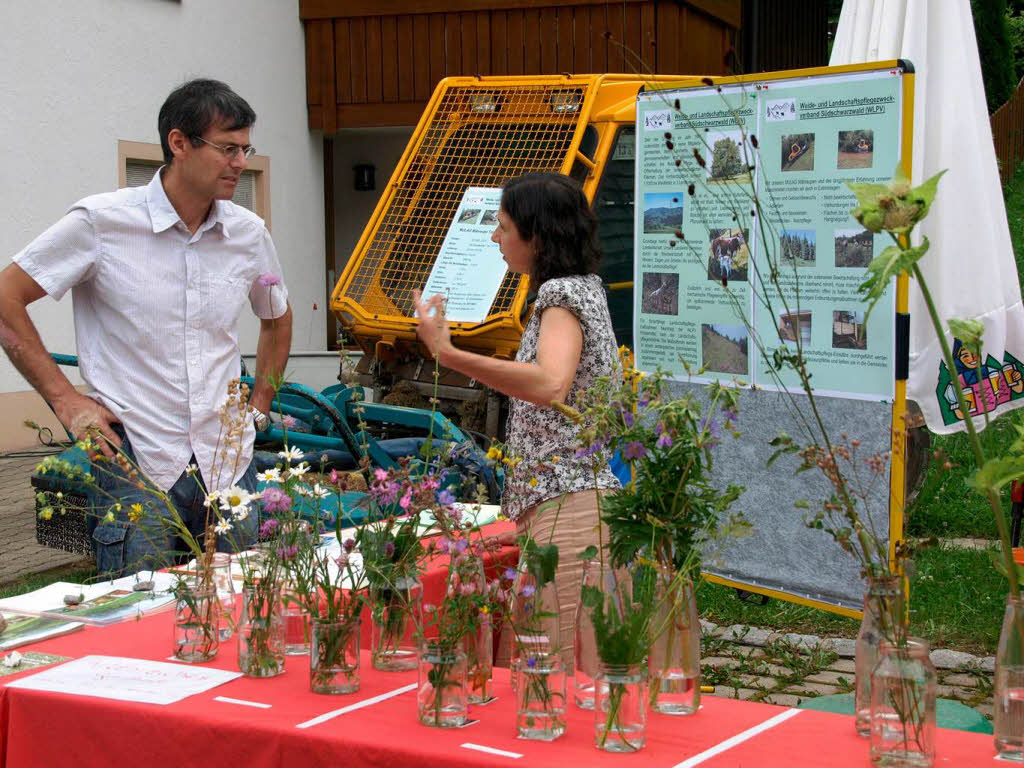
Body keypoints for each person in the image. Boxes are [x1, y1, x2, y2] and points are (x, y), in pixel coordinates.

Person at [0, 78, 293, 574]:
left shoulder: (248, 232)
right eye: (227, 149)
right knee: (140, 613)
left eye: (246, 149)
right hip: (132, 454)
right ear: (179, 143)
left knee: (247, 610)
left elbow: (276, 318)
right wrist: (66, 401)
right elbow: (7, 297)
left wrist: (258, 409)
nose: (240, 163)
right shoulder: (100, 222)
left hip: (227, 457)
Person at [414, 171, 621, 664]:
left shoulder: (559, 298)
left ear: (537, 234)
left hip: (569, 510)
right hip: (566, 506)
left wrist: (448, 354)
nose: (494, 237)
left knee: (549, 675)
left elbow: (550, 383)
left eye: (504, 227)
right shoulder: (581, 288)